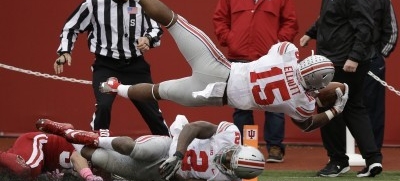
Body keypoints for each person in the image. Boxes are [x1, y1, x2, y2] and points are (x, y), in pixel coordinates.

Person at [100, 0, 349, 134]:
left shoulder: (287, 53)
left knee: (173, 20)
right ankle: (116, 88)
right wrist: (335, 110)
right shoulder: (301, 103)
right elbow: (308, 124)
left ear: (306, 61)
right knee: (158, 92)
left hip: (220, 68)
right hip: (215, 96)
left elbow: (283, 52)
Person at [53, 0, 169, 137]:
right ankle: (98, 147)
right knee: (104, 106)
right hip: (106, 66)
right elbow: (71, 26)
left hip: (136, 67)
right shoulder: (95, 1)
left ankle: (167, 150)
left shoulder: (141, 2)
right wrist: (64, 51)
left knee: (152, 111)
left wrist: (148, 39)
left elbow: (156, 28)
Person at [299, 0, 383, 178]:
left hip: (343, 61)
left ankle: (337, 161)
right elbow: (330, 17)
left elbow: (365, 26)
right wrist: (310, 33)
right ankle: (373, 160)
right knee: (355, 108)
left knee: (328, 107)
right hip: (338, 58)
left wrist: (353, 57)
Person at [213, 0, 299, 163]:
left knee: (274, 104)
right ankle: (247, 147)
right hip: (239, 58)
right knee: (242, 106)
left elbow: (290, 22)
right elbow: (219, 19)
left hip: (270, 59)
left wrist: (278, 45)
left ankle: (275, 147)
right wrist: (229, 39)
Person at [36, 116, 265, 181]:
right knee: (131, 148)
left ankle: (68, 135)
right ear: (239, 148)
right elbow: (193, 128)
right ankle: (75, 134)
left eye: (228, 165)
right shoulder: (230, 134)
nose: (225, 159)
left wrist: (174, 174)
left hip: (162, 174)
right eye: (231, 156)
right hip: (169, 148)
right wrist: (177, 155)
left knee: (102, 160)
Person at [349, 0, 398, 150]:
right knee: (343, 106)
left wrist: (379, 56)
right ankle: (341, 153)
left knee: (373, 109)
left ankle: (373, 152)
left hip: (372, 62)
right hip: (345, 60)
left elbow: (392, 30)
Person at [0, 128, 103, 181]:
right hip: (40, 144)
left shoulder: (111, 169)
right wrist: (89, 177)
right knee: (26, 169)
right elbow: (76, 156)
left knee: (11, 174)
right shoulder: (104, 142)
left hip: (43, 165)